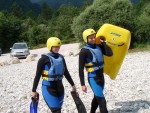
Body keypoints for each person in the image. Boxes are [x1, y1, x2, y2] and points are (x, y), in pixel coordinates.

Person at [31, 37, 77, 113]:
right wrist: (33, 90)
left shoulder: (61, 57)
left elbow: (66, 72)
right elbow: (37, 75)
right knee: (56, 111)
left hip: (60, 88)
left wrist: (73, 84)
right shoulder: (43, 59)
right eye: (55, 46)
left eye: (58, 46)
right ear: (50, 47)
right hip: (49, 88)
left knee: (58, 110)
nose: (57, 48)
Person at [79, 28, 113, 113]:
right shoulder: (84, 51)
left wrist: (103, 43)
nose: (93, 39)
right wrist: (82, 84)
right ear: (86, 39)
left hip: (101, 77)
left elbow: (109, 53)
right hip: (93, 78)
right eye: (90, 38)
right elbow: (80, 69)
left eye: (94, 37)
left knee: (96, 98)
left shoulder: (99, 46)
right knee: (102, 101)